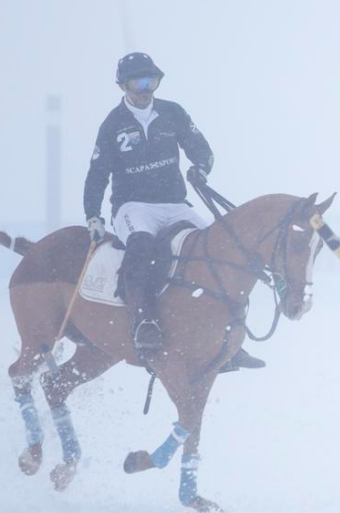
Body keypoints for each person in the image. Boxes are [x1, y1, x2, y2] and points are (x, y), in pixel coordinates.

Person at [83, 52, 264, 370]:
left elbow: (201, 149)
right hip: (133, 206)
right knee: (141, 248)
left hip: (175, 204)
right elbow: (97, 174)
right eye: (139, 81)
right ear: (123, 85)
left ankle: (230, 339)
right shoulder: (113, 124)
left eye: (151, 80)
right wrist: (93, 215)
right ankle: (144, 324)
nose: (146, 88)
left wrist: (200, 169)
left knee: (217, 249)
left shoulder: (172, 113)